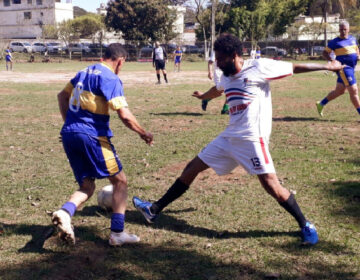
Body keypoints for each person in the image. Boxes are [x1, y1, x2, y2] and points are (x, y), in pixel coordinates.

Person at [133, 34, 344, 246]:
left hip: (253, 139)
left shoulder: (258, 67)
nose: (217, 62)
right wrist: (203, 97)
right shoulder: (226, 74)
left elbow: (294, 67)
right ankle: (154, 209)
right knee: (192, 167)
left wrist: (328, 66)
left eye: (221, 58)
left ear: (234, 56)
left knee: (272, 186)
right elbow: (218, 90)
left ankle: (306, 225)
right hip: (229, 137)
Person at [52, 43, 153, 246]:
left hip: (70, 134)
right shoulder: (110, 77)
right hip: (92, 136)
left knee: (87, 186)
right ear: (120, 60)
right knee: (120, 181)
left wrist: (70, 124)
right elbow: (124, 114)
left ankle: (64, 213)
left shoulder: (83, 71)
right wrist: (143, 132)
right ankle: (117, 233)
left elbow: (62, 96)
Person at [316, 20, 360, 117]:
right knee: (353, 90)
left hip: (351, 68)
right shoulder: (334, 42)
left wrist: (358, 55)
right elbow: (324, 53)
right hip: (343, 68)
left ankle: (321, 103)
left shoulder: (353, 39)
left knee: (340, 90)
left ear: (348, 29)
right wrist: (332, 61)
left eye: (345, 29)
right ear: (339, 30)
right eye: (341, 30)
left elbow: (357, 49)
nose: (343, 31)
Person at [201, 50, 229, 114]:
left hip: (227, 72)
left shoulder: (229, 49)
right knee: (220, 91)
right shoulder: (216, 50)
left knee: (230, 89)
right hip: (218, 73)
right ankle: (206, 99)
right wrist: (210, 72)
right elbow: (210, 62)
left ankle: (225, 109)